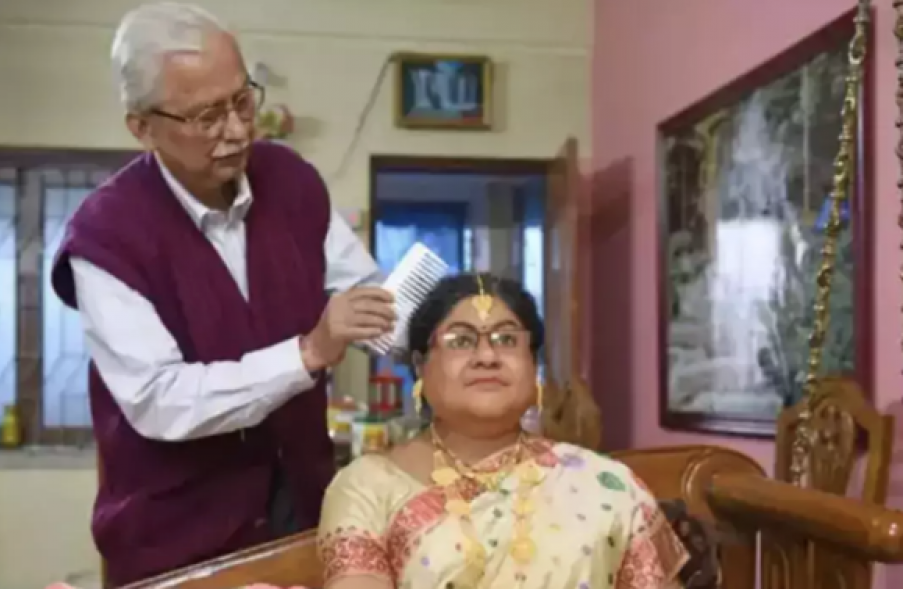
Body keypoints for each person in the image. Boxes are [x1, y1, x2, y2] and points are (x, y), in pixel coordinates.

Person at [49, 3, 395, 586]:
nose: (236, 130)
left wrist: (442, 333)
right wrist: (308, 352)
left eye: (242, 100)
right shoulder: (105, 236)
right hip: (177, 541)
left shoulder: (289, 181)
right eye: (206, 116)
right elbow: (160, 400)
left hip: (302, 512)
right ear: (142, 127)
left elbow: (362, 291)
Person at [318, 274, 688, 589]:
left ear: (533, 363)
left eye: (507, 340)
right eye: (461, 341)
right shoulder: (367, 488)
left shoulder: (609, 486)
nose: (487, 357)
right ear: (419, 366)